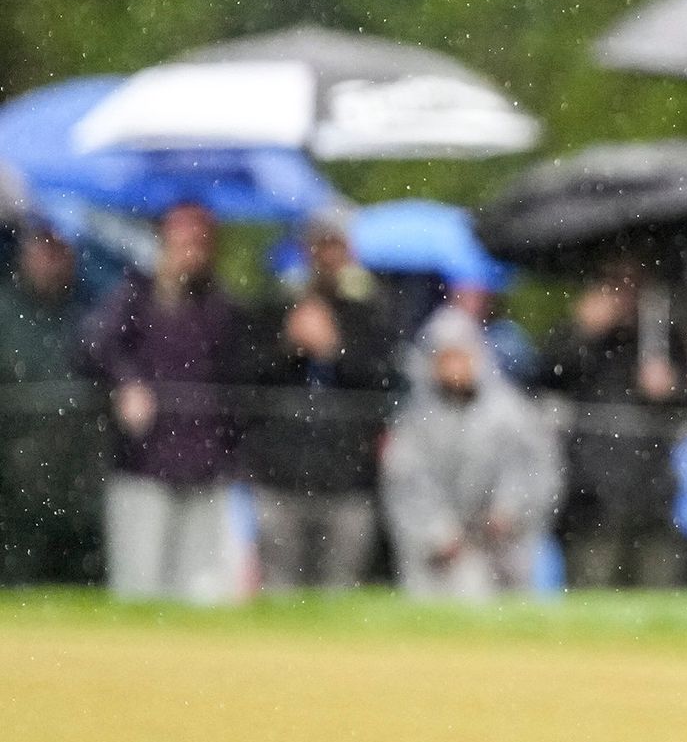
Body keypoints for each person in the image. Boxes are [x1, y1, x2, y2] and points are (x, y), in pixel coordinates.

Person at [76, 202, 252, 602]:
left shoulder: (220, 306)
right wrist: (127, 383)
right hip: (144, 463)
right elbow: (93, 345)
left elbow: (242, 372)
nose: (190, 247)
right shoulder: (134, 296)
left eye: (199, 238)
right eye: (182, 236)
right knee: (140, 586)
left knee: (200, 593)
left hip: (206, 464)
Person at [247, 211, 397, 591]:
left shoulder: (371, 311)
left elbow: (383, 381)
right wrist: (289, 346)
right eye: (320, 244)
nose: (327, 255)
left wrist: (334, 350)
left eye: (335, 245)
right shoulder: (278, 305)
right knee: (280, 591)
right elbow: (246, 375)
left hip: (347, 478)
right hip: (282, 474)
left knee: (339, 591)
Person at [381, 310, 562, 599]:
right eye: (446, 358)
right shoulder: (414, 420)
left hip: (503, 548)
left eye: (461, 356)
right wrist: (438, 532)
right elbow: (405, 482)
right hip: (439, 555)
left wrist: (508, 511)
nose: (454, 368)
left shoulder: (511, 412)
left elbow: (534, 469)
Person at [537, 265, 687, 588]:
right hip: (592, 493)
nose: (625, 294)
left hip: (652, 488)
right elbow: (545, 377)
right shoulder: (581, 334)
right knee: (591, 583)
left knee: (655, 587)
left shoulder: (664, 335)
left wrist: (673, 386)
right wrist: (582, 331)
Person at [0, 221, 109, 584]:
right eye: (43, 248)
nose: (51, 259)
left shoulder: (92, 311)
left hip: (80, 481)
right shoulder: (6, 311)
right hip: (16, 483)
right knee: (20, 586)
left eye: (59, 249)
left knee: (81, 590)